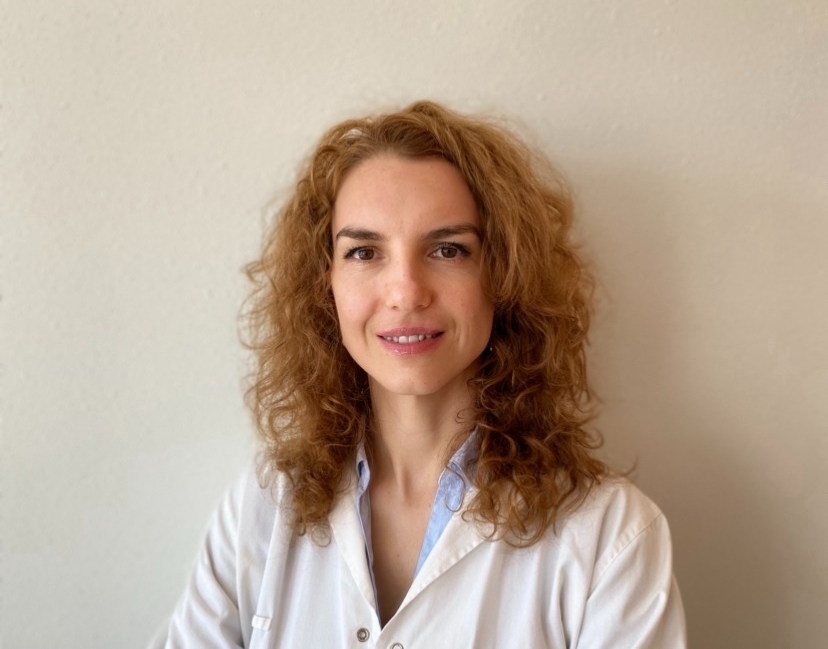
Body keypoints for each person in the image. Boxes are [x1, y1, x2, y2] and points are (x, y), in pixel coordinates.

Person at [151, 101, 686, 648]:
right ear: (324, 283)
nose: (406, 292)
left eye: (448, 249)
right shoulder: (263, 506)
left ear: (505, 275)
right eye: (364, 252)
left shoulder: (610, 536)